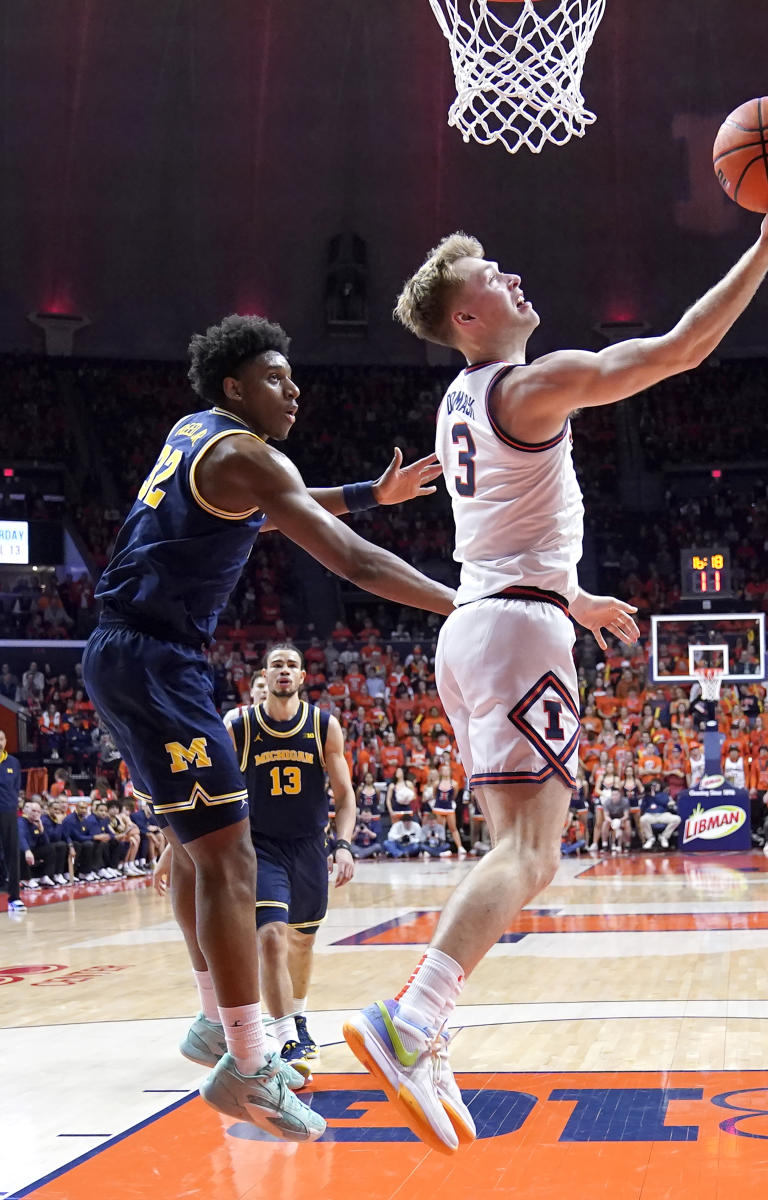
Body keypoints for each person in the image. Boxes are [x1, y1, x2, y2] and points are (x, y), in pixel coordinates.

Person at [343, 164, 768, 1153]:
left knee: (510, 851)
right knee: (532, 854)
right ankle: (414, 1017)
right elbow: (683, 350)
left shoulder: (459, 403)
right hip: (515, 630)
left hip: (480, 625)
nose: (513, 277)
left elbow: (501, 533)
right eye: (491, 276)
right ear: (466, 319)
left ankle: (430, 1028)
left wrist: (572, 591)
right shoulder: (528, 384)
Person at [81, 313, 455, 1141]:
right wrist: (463, 603)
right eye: (277, 378)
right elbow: (352, 561)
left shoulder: (199, 434)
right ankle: (248, 1065)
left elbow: (277, 509)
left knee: (193, 850)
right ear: (234, 387)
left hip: (120, 653)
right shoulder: (250, 454)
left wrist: (369, 493)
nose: (295, 390)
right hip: (160, 662)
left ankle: (217, 1021)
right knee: (230, 859)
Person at [224, 643, 355, 1069]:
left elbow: (345, 795)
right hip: (259, 846)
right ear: (263, 676)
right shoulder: (240, 725)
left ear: (302, 678)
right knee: (271, 936)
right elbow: (213, 792)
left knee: (302, 939)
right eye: (276, 664)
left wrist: (344, 845)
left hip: (308, 846)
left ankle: (296, 1018)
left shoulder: (323, 725)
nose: (284, 670)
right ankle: (283, 1036)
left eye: (292, 665)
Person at [0, 729, 24, 912]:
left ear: (6, 740)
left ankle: (14, 897)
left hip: (8, 813)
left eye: (1, 738)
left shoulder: (13, 762)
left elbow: (16, 788)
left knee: (12, 854)